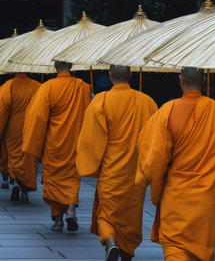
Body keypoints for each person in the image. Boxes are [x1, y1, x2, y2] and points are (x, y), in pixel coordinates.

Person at [136, 67, 215, 261]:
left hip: (178, 198)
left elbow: (153, 158)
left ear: (180, 80)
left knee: (176, 250)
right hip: (209, 200)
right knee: (202, 252)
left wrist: (148, 182)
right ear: (203, 81)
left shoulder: (167, 112)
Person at [76, 65, 158, 261]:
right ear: (130, 75)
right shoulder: (147, 102)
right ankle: (127, 251)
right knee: (131, 214)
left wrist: (89, 164)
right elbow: (155, 138)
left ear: (110, 76)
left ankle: (111, 242)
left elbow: (90, 139)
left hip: (111, 169)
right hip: (136, 171)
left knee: (105, 212)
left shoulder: (101, 101)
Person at [22, 61, 90, 232]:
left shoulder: (48, 87)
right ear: (72, 66)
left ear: (55, 67)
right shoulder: (82, 87)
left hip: (53, 144)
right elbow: (91, 111)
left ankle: (58, 221)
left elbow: (37, 117)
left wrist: (34, 143)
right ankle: (71, 209)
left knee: (53, 180)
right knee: (72, 179)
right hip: (75, 142)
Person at [0, 73, 40, 203]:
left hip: (13, 128)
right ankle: (25, 192)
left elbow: (2, 111)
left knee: (13, 157)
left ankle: (15, 182)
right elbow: (43, 108)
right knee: (29, 159)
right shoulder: (37, 86)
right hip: (32, 128)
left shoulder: (8, 86)